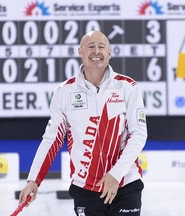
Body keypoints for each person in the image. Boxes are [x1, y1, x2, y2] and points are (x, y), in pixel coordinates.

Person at [19, 31, 147, 216]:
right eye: (91, 46)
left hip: (125, 184)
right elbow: (52, 140)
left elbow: (139, 134)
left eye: (101, 47)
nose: (96, 51)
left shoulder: (127, 87)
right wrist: (33, 180)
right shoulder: (64, 92)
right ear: (80, 51)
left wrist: (115, 174)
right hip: (86, 188)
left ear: (109, 52)